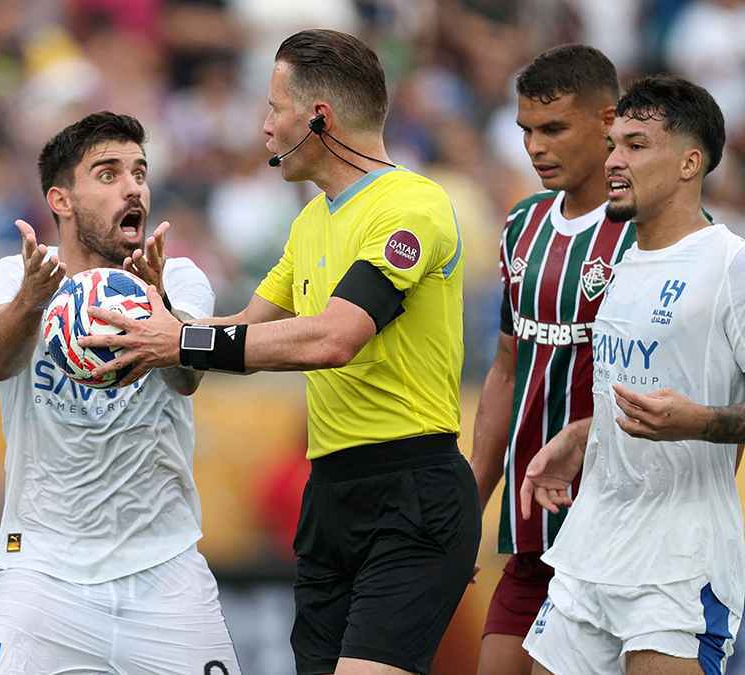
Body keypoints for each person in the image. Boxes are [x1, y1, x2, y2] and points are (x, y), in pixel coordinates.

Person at [79, 30, 479, 675]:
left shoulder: (412, 206)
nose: (264, 126)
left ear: (318, 118)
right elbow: (240, 329)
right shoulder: (311, 220)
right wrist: (158, 318)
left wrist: (181, 338)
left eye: (273, 108)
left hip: (411, 488)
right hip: (329, 497)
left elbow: (335, 336)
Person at [0, 111, 239, 675]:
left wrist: (161, 306)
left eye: (139, 172)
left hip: (165, 574)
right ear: (61, 200)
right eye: (108, 174)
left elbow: (186, 379)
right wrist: (32, 299)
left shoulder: (179, 278)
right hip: (41, 575)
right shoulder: (15, 276)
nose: (133, 187)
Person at [521, 75, 742, 675]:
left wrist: (701, 422)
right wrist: (580, 436)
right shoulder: (624, 264)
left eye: (636, 145)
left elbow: (694, 410)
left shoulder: (730, 265)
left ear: (690, 163)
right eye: (613, 144)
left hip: (679, 565)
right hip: (590, 549)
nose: (614, 161)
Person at [467, 45, 632, 675]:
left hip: (613, 536)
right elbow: (506, 368)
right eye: (526, 131)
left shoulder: (651, 230)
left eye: (554, 128)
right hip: (532, 535)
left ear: (608, 120)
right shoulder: (522, 224)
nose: (535, 147)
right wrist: (472, 501)